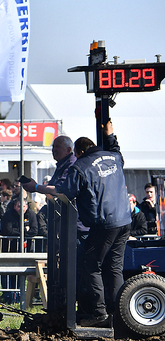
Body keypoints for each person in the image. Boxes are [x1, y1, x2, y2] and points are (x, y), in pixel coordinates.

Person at [24, 121, 131, 327]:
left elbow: (64, 192)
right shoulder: (114, 157)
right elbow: (115, 148)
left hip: (104, 224)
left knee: (91, 266)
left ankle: (99, 314)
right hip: (125, 221)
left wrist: (36, 187)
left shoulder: (80, 166)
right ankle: (120, 314)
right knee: (115, 269)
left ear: (78, 152)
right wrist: (110, 133)